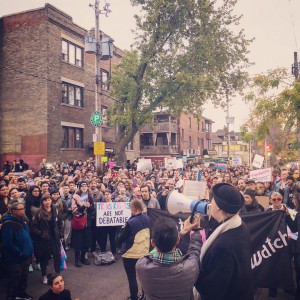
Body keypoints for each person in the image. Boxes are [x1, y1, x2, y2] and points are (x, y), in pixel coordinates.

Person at [194, 183, 253, 300]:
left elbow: (212, 290)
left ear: (219, 207)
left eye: (213, 201)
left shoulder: (222, 248)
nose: (210, 204)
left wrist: (192, 275)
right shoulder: (240, 226)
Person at [136, 215, 202, 300]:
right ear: (177, 240)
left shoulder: (141, 266)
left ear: (152, 243)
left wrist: (180, 234)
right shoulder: (190, 267)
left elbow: (149, 255)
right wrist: (196, 230)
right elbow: (195, 250)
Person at [118, 199, 151, 300]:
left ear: (133, 209)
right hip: (144, 252)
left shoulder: (130, 222)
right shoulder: (147, 218)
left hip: (130, 254)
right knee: (144, 278)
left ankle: (134, 298)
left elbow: (120, 238)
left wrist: (121, 230)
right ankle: (144, 297)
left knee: (132, 278)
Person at [1, 202, 33, 300]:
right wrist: (19, 252)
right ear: (14, 211)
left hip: (25, 257)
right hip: (16, 259)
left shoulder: (22, 220)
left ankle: (21, 293)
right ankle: (11, 297)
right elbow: (7, 243)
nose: (24, 210)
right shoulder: (9, 223)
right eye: (21, 209)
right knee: (14, 280)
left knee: (24, 278)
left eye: (24, 208)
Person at [30, 194, 63, 284]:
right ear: (42, 202)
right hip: (44, 240)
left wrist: (61, 235)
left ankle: (57, 274)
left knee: (57, 257)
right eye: (45, 200)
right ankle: (44, 275)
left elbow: (60, 223)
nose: (47, 202)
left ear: (51, 200)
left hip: (54, 238)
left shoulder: (56, 210)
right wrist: (41, 234)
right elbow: (33, 227)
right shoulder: (38, 212)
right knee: (44, 258)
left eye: (48, 200)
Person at [71, 181, 95, 267]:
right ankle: (77, 259)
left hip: (87, 222)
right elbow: (74, 211)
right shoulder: (75, 197)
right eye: (82, 186)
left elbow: (93, 209)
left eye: (85, 185)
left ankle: (83, 258)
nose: (84, 187)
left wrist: (90, 207)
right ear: (79, 187)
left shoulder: (89, 196)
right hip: (79, 221)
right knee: (78, 242)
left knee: (86, 240)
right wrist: (84, 206)